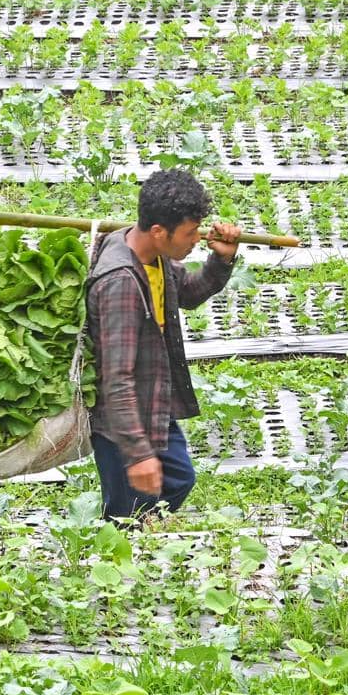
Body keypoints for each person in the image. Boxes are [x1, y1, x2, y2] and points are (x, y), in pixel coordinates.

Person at [86, 169, 241, 522]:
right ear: (158, 231)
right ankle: (118, 549)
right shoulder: (121, 283)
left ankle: (140, 536)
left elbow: (188, 293)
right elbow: (116, 378)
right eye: (190, 233)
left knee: (178, 480)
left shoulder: (153, 258)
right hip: (122, 422)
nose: (197, 239)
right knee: (126, 513)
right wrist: (138, 454)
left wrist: (222, 259)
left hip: (153, 403)